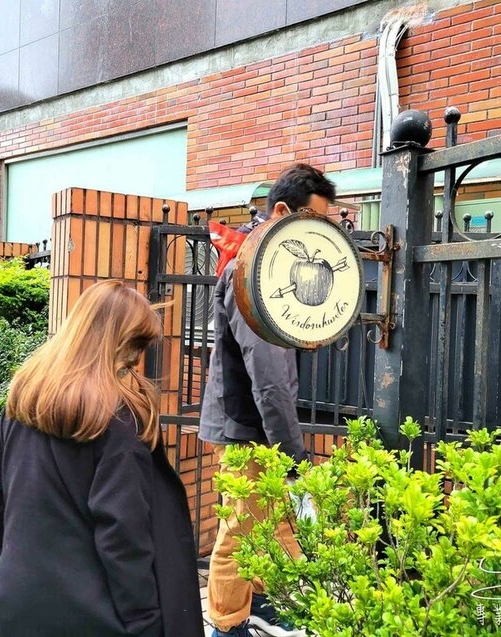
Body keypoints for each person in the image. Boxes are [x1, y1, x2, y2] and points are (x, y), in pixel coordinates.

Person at [0, 280, 204, 637]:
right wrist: (145, 622)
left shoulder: (23, 405)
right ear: (114, 342)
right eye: (135, 345)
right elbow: (124, 537)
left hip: (13, 608)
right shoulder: (118, 424)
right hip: (94, 618)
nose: (137, 358)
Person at [201, 163, 336, 637]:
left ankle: (259, 604)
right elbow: (270, 379)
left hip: (248, 425)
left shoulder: (264, 264)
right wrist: (293, 457)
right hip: (246, 429)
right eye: (313, 220)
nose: (321, 234)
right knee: (239, 533)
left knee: (268, 522)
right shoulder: (254, 271)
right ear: (282, 211)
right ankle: (226, 626)